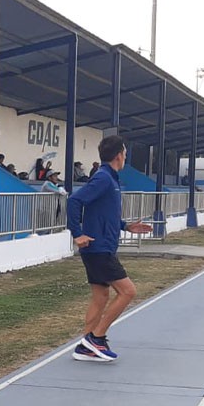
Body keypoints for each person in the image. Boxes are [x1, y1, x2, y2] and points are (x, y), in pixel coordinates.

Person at [66, 135, 152, 362]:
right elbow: (75, 201)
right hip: (98, 248)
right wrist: (77, 233)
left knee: (100, 296)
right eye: (125, 153)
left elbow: (103, 212)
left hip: (101, 247)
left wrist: (126, 226)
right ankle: (97, 338)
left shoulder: (110, 180)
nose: (125, 156)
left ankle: (86, 346)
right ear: (119, 155)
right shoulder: (104, 178)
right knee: (128, 291)